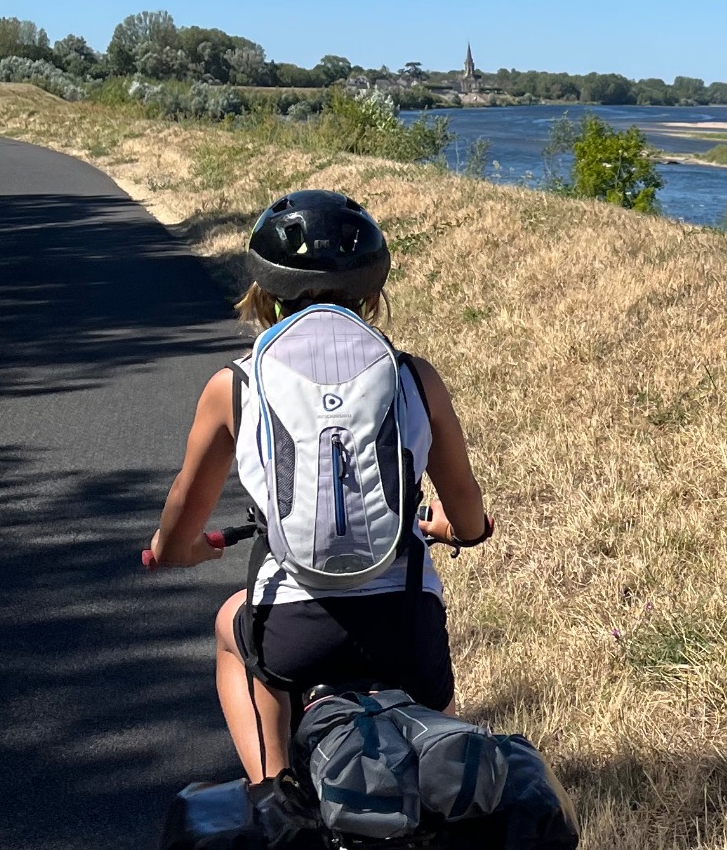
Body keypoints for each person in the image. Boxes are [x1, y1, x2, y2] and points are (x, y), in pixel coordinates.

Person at [145, 190, 491, 781]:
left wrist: (177, 548)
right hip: (405, 627)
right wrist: (459, 529)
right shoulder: (414, 376)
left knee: (230, 629)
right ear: (372, 295)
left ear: (264, 292)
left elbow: (184, 504)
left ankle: (274, 793)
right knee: (440, 784)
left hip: (292, 632)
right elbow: (466, 508)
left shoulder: (236, 385)